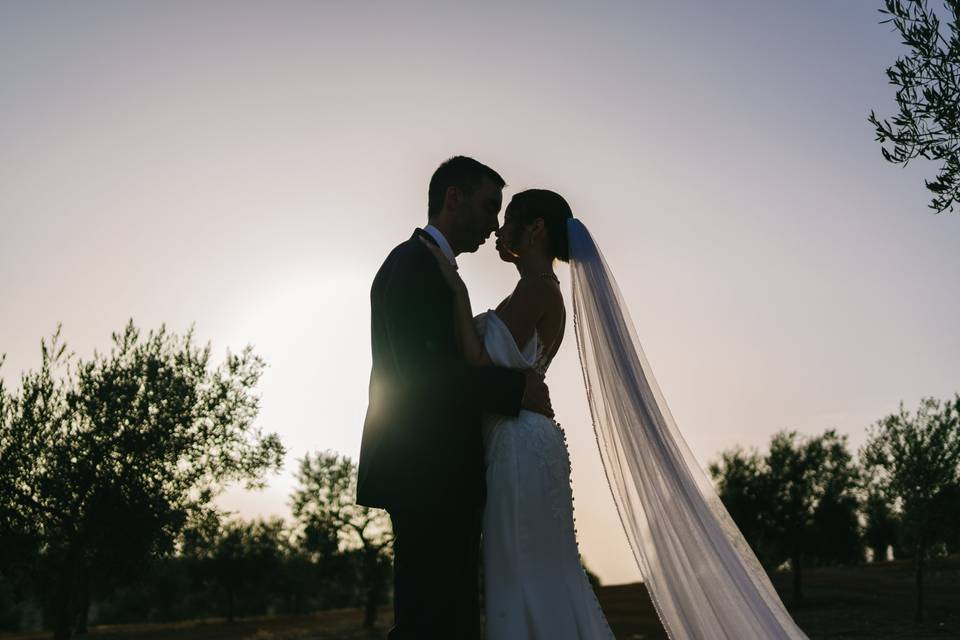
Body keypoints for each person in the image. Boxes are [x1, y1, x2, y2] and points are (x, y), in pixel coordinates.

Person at [423, 188, 811, 639]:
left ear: (535, 229)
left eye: (509, 219)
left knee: (523, 568)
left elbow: (480, 363)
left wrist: (455, 291)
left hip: (519, 444)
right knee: (534, 568)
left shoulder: (537, 291)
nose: (498, 229)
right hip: (522, 437)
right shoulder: (533, 288)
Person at [356, 156, 552, 640]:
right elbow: (425, 378)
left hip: (444, 475)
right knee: (432, 621)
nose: (493, 225)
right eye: (489, 208)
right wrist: (516, 390)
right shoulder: (411, 266)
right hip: (428, 473)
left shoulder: (434, 268)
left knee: (447, 619)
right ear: (453, 198)